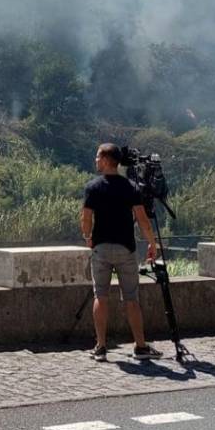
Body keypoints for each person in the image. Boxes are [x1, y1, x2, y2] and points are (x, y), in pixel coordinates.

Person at [81, 143, 162, 362]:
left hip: (101, 248)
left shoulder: (92, 187)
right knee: (131, 299)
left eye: (98, 156)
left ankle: (100, 346)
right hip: (126, 248)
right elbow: (143, 220)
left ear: (107, 160)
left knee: (101, 296)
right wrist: (152, 244)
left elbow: (86, 218)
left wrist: (88, 237)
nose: (96, 160)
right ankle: (141, 346)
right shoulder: (131, 187)